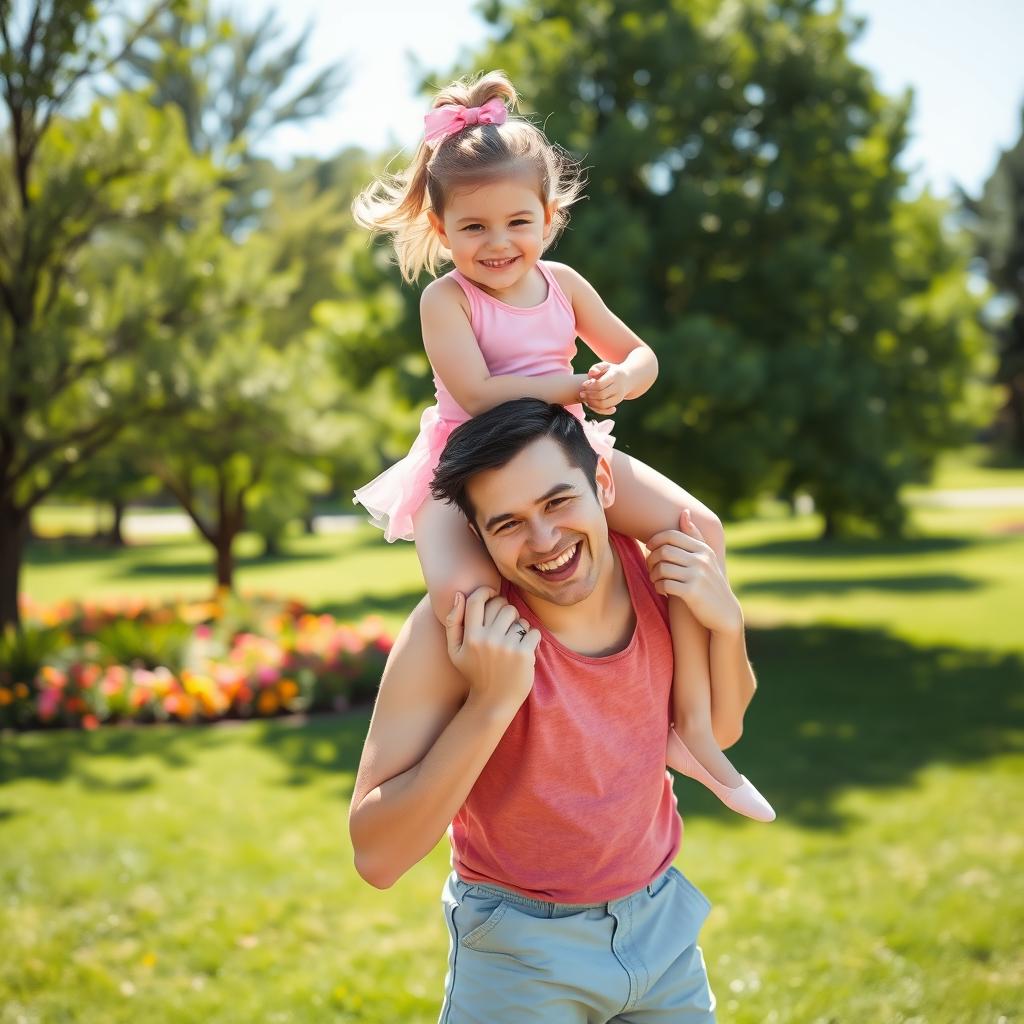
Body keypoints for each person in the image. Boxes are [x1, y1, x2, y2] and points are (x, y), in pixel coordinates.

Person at [351, 70, 772, 820]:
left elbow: (641, 355)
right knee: (460, 597)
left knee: (697, 529)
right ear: (443, 231)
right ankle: (492, 734)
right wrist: (572, 386)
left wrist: (618, 378)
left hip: (569, 447)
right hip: (466, 467)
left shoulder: (565, 284)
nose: (498, 243)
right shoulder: (446, 299)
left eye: (518, 222)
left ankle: (695, 728)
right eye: (473, 228)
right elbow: (478, 395)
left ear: (548, 218)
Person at [349, 399, 766, 1022]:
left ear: (602, 482)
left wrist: (726, 625)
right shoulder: (455, 635)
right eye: (507, 523)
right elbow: (377, 857)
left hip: (661, 931)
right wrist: (490, 704)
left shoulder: (660, 577)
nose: (545, 541)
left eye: (557, 502)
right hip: (520, 955)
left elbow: (720, 729)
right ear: (479, 536)